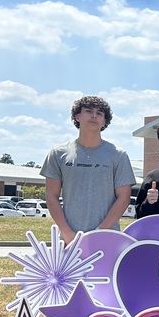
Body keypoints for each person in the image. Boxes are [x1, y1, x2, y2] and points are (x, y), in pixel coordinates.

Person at [41, 95, 136, 245]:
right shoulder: (58, 153)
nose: (94, 116)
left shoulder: (118, 155)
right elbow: (51, 196)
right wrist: (67, 233)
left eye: (99, 113)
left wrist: (99, 232)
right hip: (68, 240)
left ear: (105, 121)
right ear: (77, 116)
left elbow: (124, 197)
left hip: (107, 238)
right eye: (89, 111)